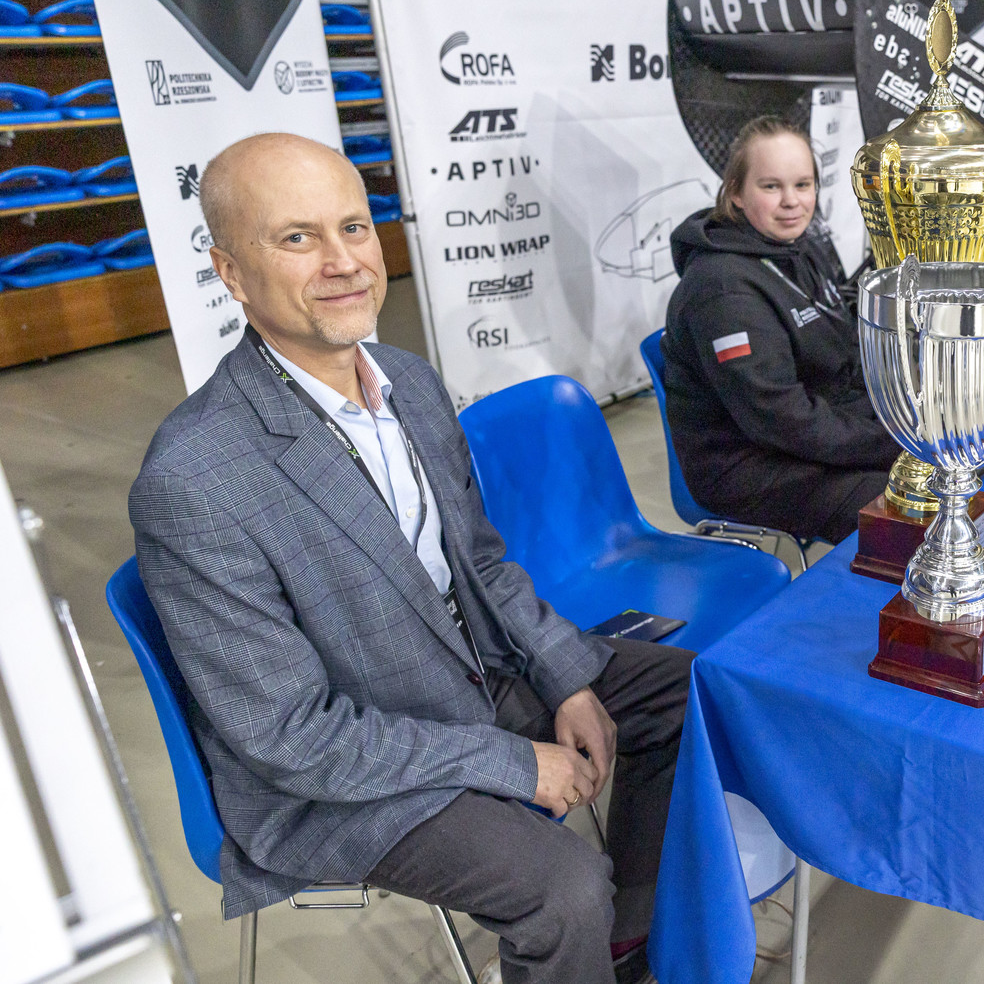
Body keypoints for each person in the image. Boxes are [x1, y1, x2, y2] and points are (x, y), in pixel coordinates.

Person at [129, 133, 688, 984]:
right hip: (345, 766)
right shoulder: (193, 480)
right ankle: (590, 938)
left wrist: (568, 679)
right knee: (563, 887)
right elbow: (292, 737)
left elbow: (482, 566)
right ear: (231, 273)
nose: (343, 261)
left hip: (471, 677)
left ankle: (627, 952)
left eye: (353, 227)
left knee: (689, 694)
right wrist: (512, 762)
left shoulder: (409, 382)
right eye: (297, 237)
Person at [662, 116, 901, 545]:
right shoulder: (721, 290)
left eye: (802, 185)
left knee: (953, 457)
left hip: (811, 430)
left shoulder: (793, 245)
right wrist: (892, 443)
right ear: (736, 192)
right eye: (771, 186)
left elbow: (838, 339)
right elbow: (782, 420)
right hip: (749, 467)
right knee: (915, 505)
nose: (791, 201)